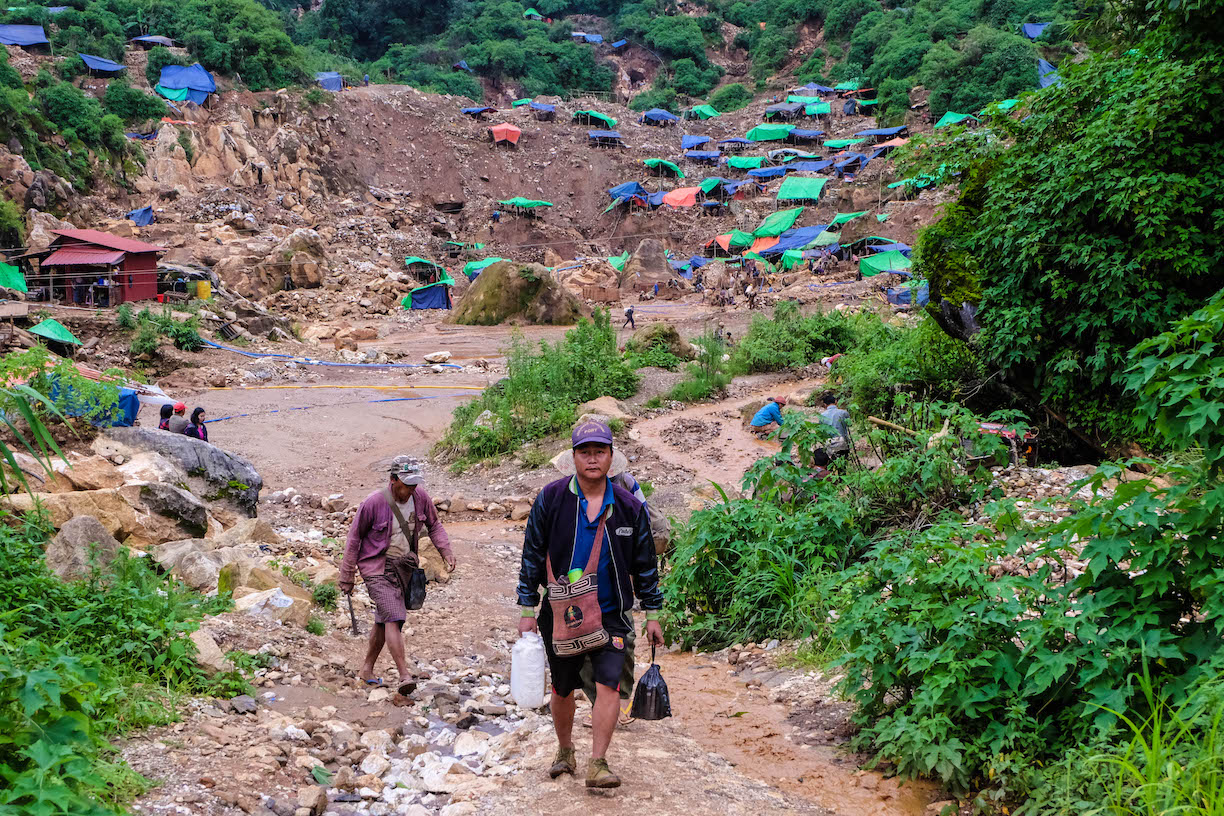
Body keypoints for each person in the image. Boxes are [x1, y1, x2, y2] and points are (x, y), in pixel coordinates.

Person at [517, 420, 664, 789]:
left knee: (608, 684)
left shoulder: (630, 507)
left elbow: (646, 563)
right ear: (573, 457)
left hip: (612, 611)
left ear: (611, 457)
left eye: (600, 451)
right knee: (563, 688)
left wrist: (653, 613)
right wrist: (525, 609)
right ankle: (565, 750)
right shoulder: (551, 499)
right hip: (560, 611)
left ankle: (599, 762)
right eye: (585, 452)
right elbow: (532, 554)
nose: (593, 459)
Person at [340, 460, 455, 694]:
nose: (411, 490)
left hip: (404, 567)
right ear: (393, 481)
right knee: (394, 615)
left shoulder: (420, 498)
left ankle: (366, 670)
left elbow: (434, 526)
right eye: (407, 485)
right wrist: (347, 575)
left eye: (415, 484)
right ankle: (404, 675)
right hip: (376, 568)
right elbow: (354, 539)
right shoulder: (373, 503)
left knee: (382, 621)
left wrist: (446, 551)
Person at [819, 393, 852, 457]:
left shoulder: (822, 416)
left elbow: (821, 432)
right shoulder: (843, 413)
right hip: (842, 442)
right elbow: (849, 425)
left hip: (829, 443)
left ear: (825, 405)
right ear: (836, 402)